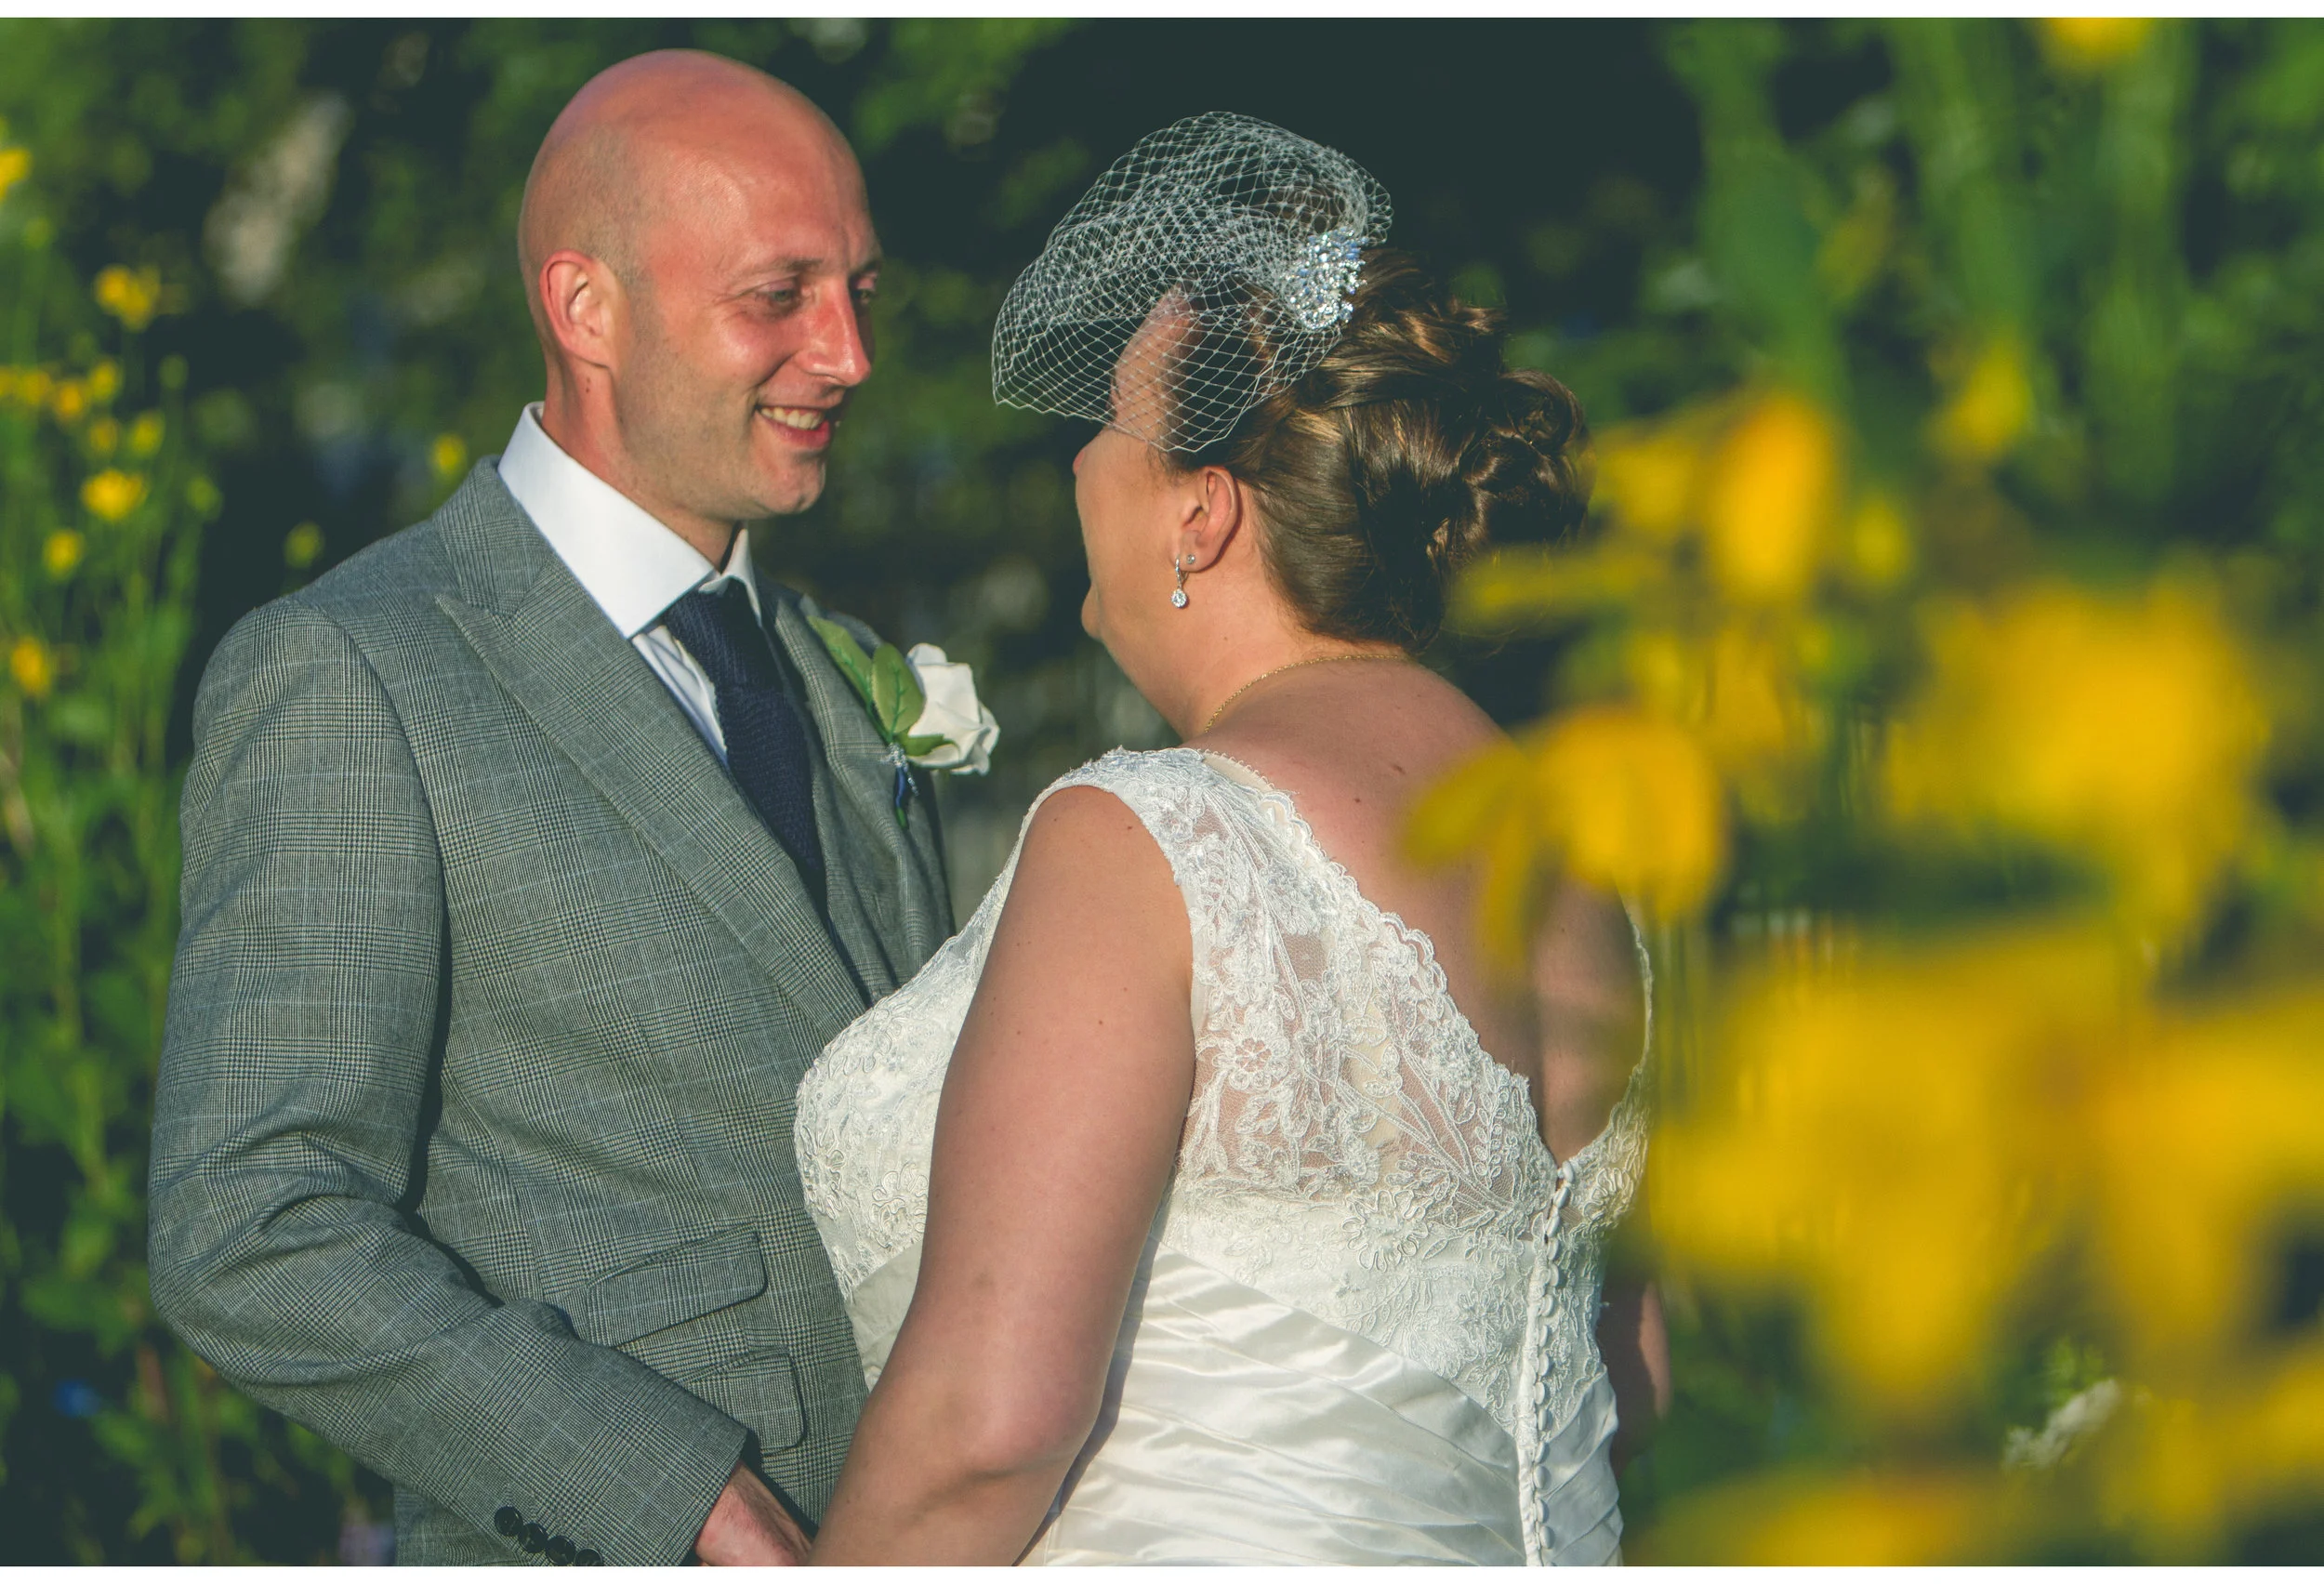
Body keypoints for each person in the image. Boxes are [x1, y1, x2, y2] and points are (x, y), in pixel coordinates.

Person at [794, 113, 1670, 1565]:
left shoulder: (1150, 836)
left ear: (1200, 516)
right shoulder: (1583, 875)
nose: (1077, 468)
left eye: (1107, 424)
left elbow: (985, 1432)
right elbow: (1632, 1386)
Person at [147, 51, 954, 1565]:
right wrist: (675, 1493)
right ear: (587, 308)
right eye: (778, 297)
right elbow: (251, 1227)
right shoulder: (348, 670)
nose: (846, 354)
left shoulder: (830, 675)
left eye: (859, 289)